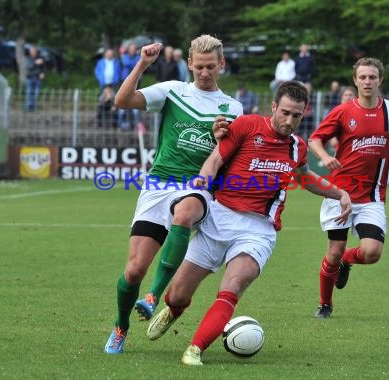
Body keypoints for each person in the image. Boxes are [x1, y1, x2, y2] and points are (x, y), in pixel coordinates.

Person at [145, 81, 352, 365]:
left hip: (258, 231)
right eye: (286, 113)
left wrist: (339, 192)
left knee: (233, 284)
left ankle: (195, 349)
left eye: (297, 116)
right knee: (179, 294)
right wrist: (202, 181)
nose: (290, 121)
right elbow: (215, 159)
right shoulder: (246, 126)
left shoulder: (297, 147)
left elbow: (304, 178)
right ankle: (172, 309)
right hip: (218, 218)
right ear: (274, 107)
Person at [103, 35, 243, 354]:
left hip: (197, 187)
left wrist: (223, 138)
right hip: (158, 186)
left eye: (211, 66)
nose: (205, 72)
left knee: (184, 212)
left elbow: (229, 155)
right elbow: (122, 101)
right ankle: (121, 326)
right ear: (189, 64)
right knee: (134, 269)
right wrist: (142, 64)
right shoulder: (172, 91)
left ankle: (153, 296)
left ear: (221, 65)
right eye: (200, 66)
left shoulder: (233, 107)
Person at [308, 57, 389, 319]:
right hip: (340, 193)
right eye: (363, 77)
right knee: (332, 253)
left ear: (380, 80)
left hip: (372, 196)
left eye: (372, 77)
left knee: (372, 252)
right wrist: (324, 156)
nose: (367, 81)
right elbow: (314, 139)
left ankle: (348, 259)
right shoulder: (343, 111)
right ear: (355, 80)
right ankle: (325, 303)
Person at [118, 43, 141, 130]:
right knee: (123, 106)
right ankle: (120, 125)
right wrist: (135, 65)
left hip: (136, 83)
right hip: (124, 82)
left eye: (134, 49)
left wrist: (135, 65)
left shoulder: (138, 57)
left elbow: (137, 65)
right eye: (131, 49)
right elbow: (127, 63)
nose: (133, 50)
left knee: (135, 107)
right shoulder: (125, 56)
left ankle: (136, 126)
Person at [327, 86, 357, 152]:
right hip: (341, 149)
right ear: (341, 97)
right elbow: (328, 128)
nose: (348, 97)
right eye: (346, 95)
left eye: (350, 95)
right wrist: (332, 138)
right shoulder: (336, 111)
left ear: (355, 97)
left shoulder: (359, 111)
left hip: (357, 148)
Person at [25, 46, 45, 112]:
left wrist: (42, 73)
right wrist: (35, 63)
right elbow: (29, 66)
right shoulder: (28, 58)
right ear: (30, 52)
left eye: (34, 51)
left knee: (36, 94)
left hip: (37, 78)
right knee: (29, 93)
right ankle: (28, 109)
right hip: (30, 78)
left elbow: (43, 67)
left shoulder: (40, 58)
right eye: (32, 51)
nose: (33, 52)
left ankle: (34, 108)